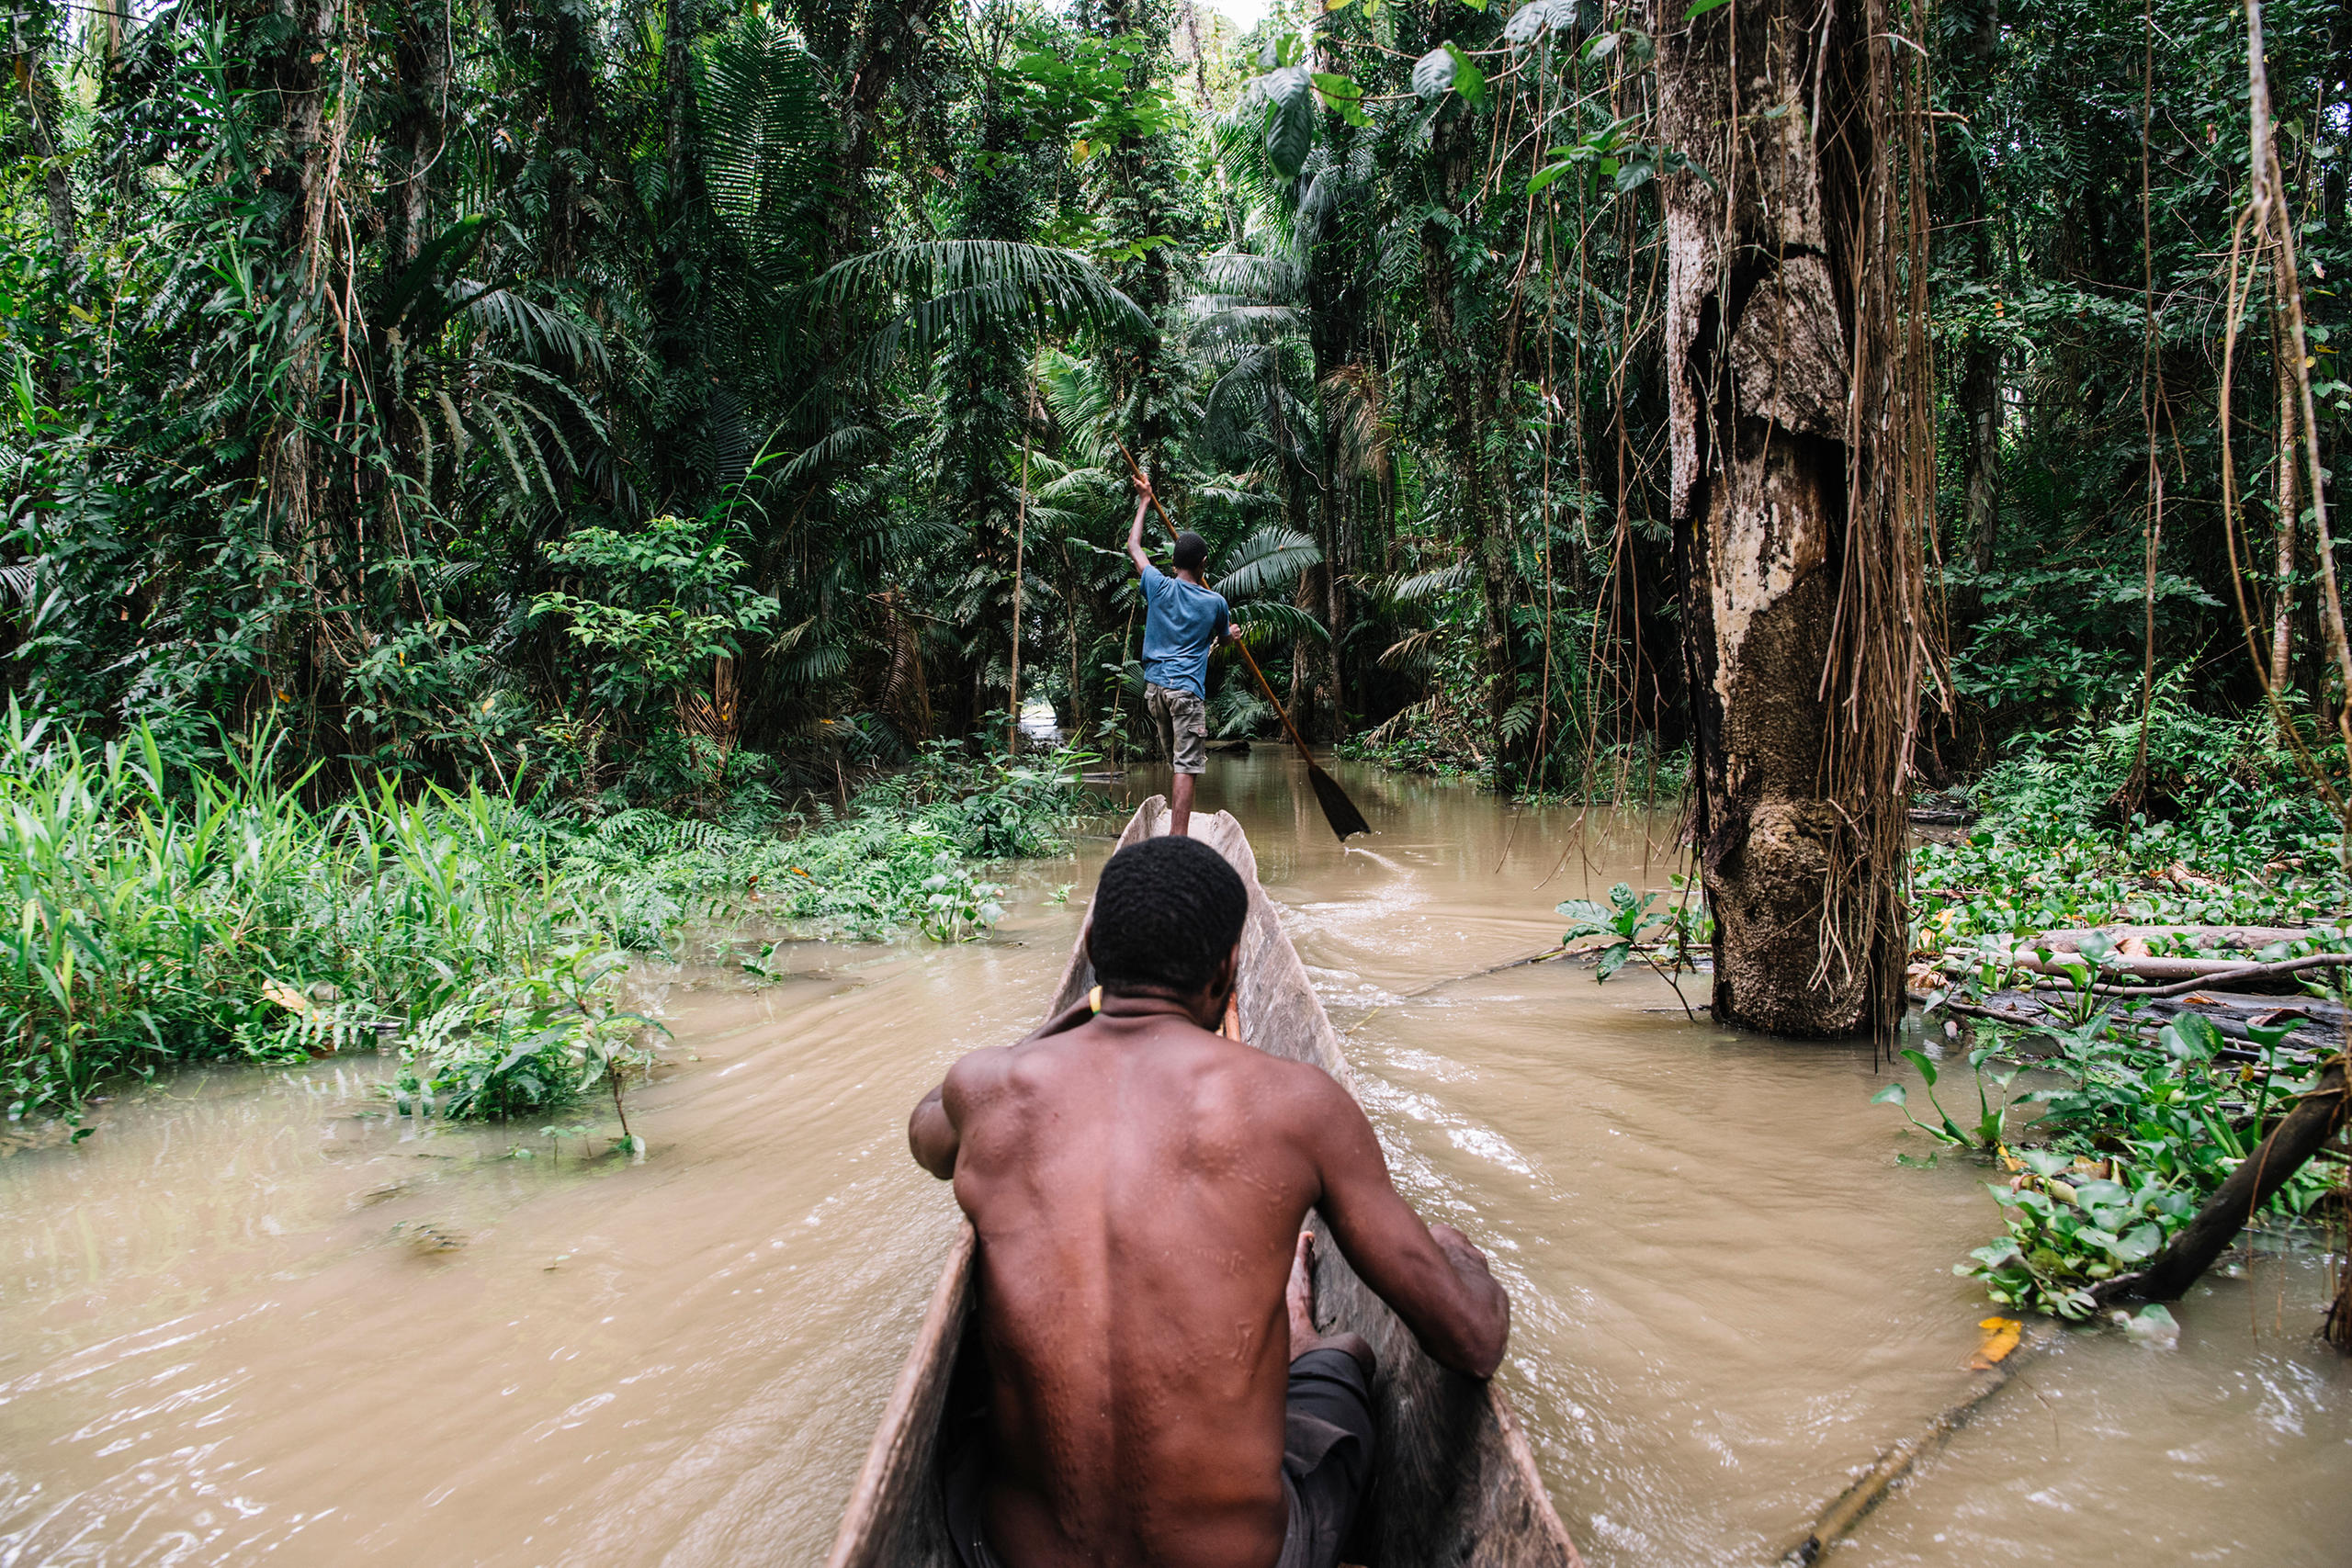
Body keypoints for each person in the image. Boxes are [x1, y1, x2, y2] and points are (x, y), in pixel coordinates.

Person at [907, 834, 1511, 1568]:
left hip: (1003, 1554)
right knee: (1345, 1360)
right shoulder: (1299, 1104)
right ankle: (1301, 1329)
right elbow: (1473, 1340)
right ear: (1230, 966)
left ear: (1094, 947)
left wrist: (1045, 1034)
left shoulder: (990, 1088)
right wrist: (1455, 1254)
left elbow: (926, 1134)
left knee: (977, 1410)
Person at [1125, 475, 1242, 836]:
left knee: (1177, 762)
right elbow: (1223, 641)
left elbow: (1134, 546)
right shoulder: (1216, 603)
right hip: (1186, 694)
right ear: (1203, 564)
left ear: (1175, 562)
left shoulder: (1157, 586)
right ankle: (1177, 841)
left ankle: (1173, 831)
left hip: (1155, 692)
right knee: (1186, 767)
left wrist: (1145, 501)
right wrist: (1233, 636)